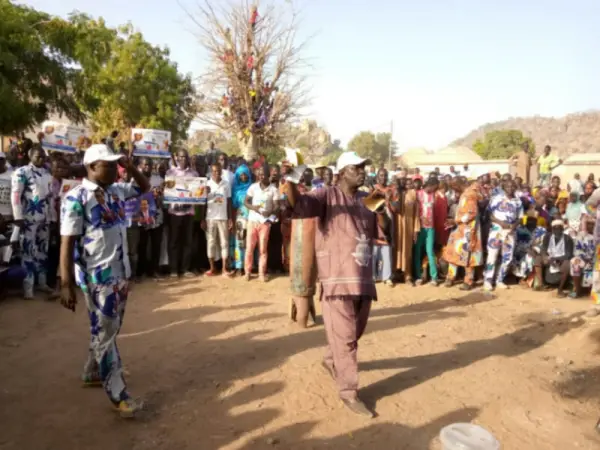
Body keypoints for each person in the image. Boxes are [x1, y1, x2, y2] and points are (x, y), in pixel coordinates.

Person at [284, 151, 383, 418]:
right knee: (347, 338)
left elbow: (384, 229)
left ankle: (331, 360)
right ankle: (349, 392)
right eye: (356, 167)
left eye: (363, 167)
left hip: (363, 278)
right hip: (337, 280)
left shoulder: (370, 198)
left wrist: (385, 206)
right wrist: (292, 178)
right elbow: (298, 204)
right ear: (341, 172)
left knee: (354, 331)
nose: (362, 171)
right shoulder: (325, 195)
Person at [59, 143, 150, 417]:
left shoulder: (116, 191)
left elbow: (144, 187)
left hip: (120, 272)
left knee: (108, 328)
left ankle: (91, 371)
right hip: (97, 276)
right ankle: (119, 395)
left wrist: (130, 166)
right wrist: (66, 283)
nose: (114, 170)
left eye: (115, 165)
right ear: (90, 167)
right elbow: (67, 241)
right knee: (106, 333)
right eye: (108, 166)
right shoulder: (76, 198)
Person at [11, 146, 55, 299]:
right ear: (30, 156)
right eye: (38, 156)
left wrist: (52, 218)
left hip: (44, 219)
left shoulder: (47, 173)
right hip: (28, 219)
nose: (42, 159)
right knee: (28, 251)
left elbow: (50, 198)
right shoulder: (22, 172)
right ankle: (28, 287)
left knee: (43, 250)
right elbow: (16, 195)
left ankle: (42, 283)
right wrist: (18, 217)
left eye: (43, 156)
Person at [443, 179, 483, 290]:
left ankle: (468, 281)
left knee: (468, 256)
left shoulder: (469, 194)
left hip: (468, 231)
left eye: (454, 187)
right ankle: (450, 277)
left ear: (458, 185)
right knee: (453, 252)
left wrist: (456, 221)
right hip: (460, 229)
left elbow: (471, 213)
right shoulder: (466, 193)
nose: (453, 190)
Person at [484, 180, 524, 291]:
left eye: (512, 187)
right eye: (508, 186)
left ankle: (499, 280)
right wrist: (500, 223)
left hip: (510, 233)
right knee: (492, 255)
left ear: (515, 188)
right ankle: (488, 281)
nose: (510, 188)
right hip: (496, 231)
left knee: (507, 258)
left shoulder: (518, 202)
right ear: (504, 187)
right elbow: (489, 214)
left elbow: (520, 218)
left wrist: (514, 225)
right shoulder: (496, 199)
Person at [244, 164, 280, 281]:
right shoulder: (253, 187)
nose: (261, 176)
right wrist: (253, 208)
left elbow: (277, 206)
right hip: (252, 221)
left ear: (268, 175)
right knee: (249, 248)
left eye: (263, 174)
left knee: (263, 249)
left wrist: (270, 212)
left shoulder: (274, 190)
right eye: (259, 174)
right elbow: (246, 202)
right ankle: (247, 272)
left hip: (265, 222)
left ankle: (261, 273)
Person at [166, 149, 199, 278]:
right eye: (181, 157)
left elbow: (198, 192)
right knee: (174, 241)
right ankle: (174, 269)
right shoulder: (170, 173)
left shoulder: (194, 174)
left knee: (187, 242)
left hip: (189, 213)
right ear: (176, 158)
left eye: (185, 157)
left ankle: (185, 269)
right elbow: (167, 191)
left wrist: (202, 191)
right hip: (174, 213)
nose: (183, 159)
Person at [201, 163, 233, 276]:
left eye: (218, 171)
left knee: (224, 242)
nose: (216, 173)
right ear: (211, 172)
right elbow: (203, 202)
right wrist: (202, 219)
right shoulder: (207, 184)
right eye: (214, 171)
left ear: (221, 171)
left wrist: (230, 218)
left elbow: (229, 202)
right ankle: (212, 268)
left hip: (223, 217)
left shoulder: (226, 184)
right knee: (211, 242)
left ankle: (224, 269)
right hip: (210, 218)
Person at [390, 171, 420, 283]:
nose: (403, 181)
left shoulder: (412, 193)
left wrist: (416, 229)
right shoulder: (394, 193)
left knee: (407, 251)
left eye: (404, 179)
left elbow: (416, 212)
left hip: (408, 227)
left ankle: (407, 275)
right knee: (396, 250)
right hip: (396, 227)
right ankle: (395, 273)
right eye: (400, 179)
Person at [534, 221, 573, 297]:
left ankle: (560, 289)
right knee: (538, 259)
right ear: (552, 229)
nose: (557, 231)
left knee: (567, 264)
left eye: (559, 228)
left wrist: (556, 258)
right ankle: (541, 284)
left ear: (562, 229)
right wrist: (545, 257)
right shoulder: (547, 237)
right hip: (550, 259)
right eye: (555, 229)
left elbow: (569, 255)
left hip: (562, 260)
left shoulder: (568, 239)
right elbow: (543, 250)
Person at [414, 178, 439, 285]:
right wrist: (420, 218)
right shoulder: (418, 194)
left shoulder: (433, 195)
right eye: (434, 187)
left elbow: (433, 210)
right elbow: (415, 211)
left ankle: (434, 277)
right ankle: (418, 276)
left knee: (430, 251)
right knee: (418, 250)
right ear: (430, 185)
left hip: (431, 228)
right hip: (420, 227)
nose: (435, 189)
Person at [230, 164, 252, 275]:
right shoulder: (235, 190)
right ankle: (239, 266)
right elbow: (233, 207)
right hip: (240, 219)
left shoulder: (253, 187)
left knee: (250, 243)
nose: (243, 177)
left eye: (245, 174)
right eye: (241, 175)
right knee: (239, 243)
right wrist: (232, 222)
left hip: (253, 219)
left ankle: (250, 265)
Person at [570, 219, 595, 298]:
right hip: (583, 259)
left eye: (593, 224)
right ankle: (577, 290)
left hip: (596, 260)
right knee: (575, 263)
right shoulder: (581, 236)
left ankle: (593, 292)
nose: (590, 226)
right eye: (589, 224)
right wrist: (584, 258)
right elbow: (577, 250)